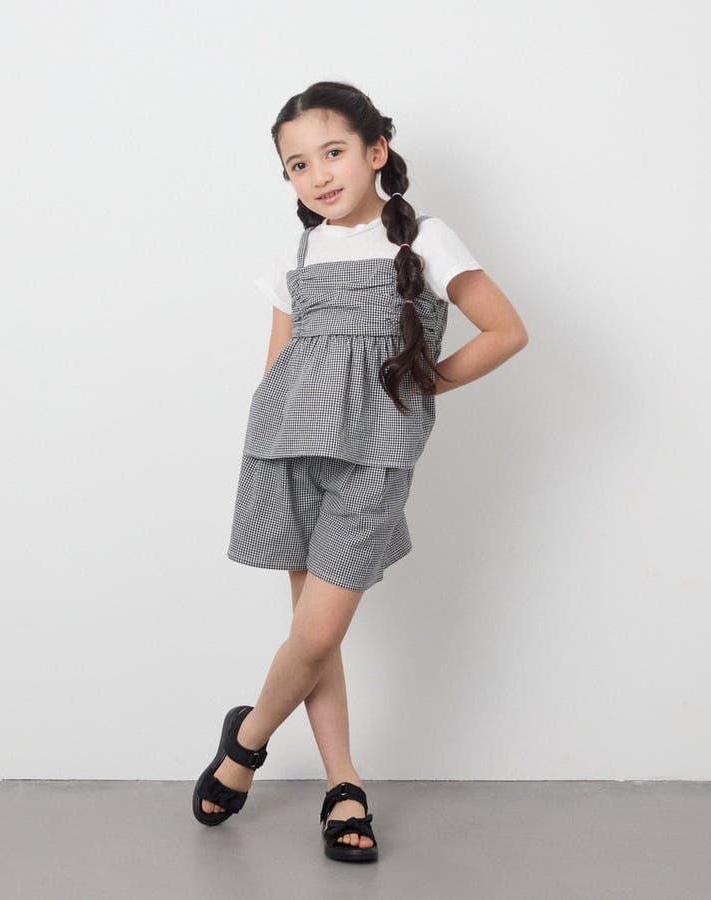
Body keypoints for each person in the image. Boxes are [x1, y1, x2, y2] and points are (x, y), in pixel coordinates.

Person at [193, 80, 529, 862]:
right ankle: (343, 784)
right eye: (297, 165)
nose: (318, 175)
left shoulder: (427, 239)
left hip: (374, 460)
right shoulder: (297, 255)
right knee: (314, 641)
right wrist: (261, 439)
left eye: (333, 152)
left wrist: (420, 384)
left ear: (377, 151)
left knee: (316, 631)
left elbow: (506, 331)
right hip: (284, 452)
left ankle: (244, 743)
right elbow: (277, 366)